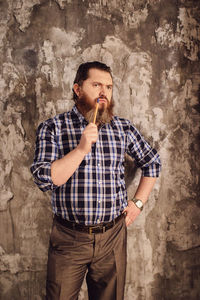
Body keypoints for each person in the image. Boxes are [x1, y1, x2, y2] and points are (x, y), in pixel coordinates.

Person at [30, 61, 161, 300]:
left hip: (112, 237)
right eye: (96, 85)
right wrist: (80, 149)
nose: (104, 92)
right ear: (78, 89)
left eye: (109, 87)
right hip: (69, 238)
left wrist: (138, 203)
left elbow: (153, 163)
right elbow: (44, 179)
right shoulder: (53, 128)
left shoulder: (122, 128)